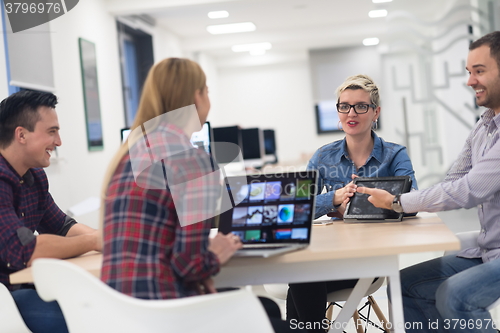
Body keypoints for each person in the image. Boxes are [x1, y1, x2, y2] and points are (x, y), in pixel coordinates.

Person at [100, 57, 304, 333]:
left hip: (120, 315)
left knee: (263, 308)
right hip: (169, 315)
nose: (209, 98)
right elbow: (189, 265)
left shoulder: (127, 156)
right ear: (196, 96)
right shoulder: (192, 160)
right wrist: (215, 255)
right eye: (206, 90)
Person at [357, 31, 500, 333]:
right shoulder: (484, 125)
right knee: (403, 286)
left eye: (479, 71)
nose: (470, 81)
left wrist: (397, 201)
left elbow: (468, 190)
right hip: (490, 248)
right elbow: (455, 178)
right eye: (468, 72)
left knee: (456, 296)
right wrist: (402, 201)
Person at [286, 74, 418, 333]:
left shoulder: (394, 155)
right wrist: (332, 199)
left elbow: (412, 201)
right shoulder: (324, 156)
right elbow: (294, 208)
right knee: (302, 278)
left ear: (375, 111)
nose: (351, 113)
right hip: (330, 256)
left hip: (372, 260)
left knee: (301, 282)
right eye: (344, 106)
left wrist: (356, 206)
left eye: (361, 106)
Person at [0, 90, 102, 333]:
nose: (58, 142)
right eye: (52, 132)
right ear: (21, 135)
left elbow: (63, 227)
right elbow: (25, 251)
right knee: (89, 320)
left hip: (25, 286)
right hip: (4, 297)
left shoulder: (34, 176)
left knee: (97, 302)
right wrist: (95, 240)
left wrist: (109, 239)